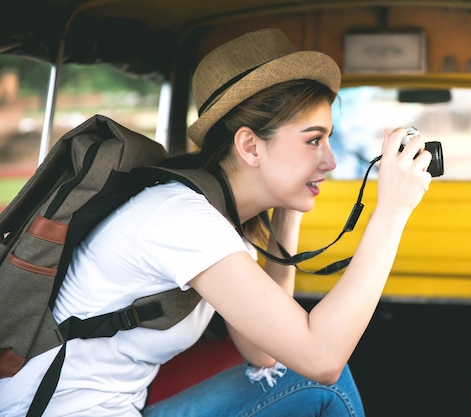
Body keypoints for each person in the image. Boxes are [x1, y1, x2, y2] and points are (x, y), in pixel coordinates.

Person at [0, 28, 432, 416]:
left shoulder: (217, 223)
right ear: (250, 146)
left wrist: (287, 213)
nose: (331, 161)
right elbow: (321, 359)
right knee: (326, 384)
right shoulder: (181, 219)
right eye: (313, 140)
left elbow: (264, 354)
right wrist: (391, 212)